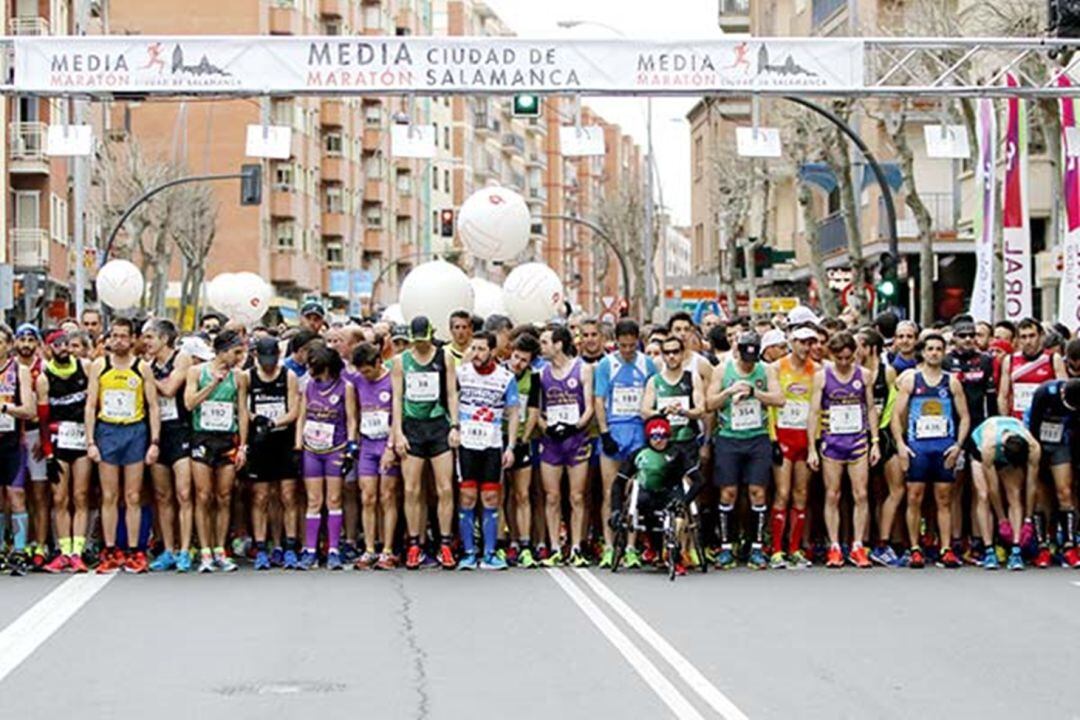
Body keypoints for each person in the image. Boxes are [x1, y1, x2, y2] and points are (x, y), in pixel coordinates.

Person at [85, 317, 162, 574]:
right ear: (108, 339)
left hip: (135, 431)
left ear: (132, 339)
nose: (118, 340)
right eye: (114, 336)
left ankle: (134, 551)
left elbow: (153, 405)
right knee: (109, 495)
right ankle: (109, 550)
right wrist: (90, 441)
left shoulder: (142, 367)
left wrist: (154, 442)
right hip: (107, 431)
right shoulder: (100, 365)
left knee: (133, 496)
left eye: (123, 336)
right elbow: (91, 405)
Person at [891, 333, 970, 569]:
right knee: (914, 498)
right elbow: (896, 416)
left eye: (938, 349)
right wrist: (901, 445)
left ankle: (945, 548)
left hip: (943, 447)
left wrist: (958, 445)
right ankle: (915, 548)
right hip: (918, 447)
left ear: (944, 352)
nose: (934, 353)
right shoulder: (911, 380)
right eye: (930, 349)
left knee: (943, 500)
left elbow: (965, 416)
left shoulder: (951, 381)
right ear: (923, 353)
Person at [706, 332, 784, 570]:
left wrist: (754, 393)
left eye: (753, 358)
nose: (749, 364)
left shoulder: (766, 370)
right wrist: (729, 393)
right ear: (737, 351)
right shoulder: (722, 370)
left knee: (757, 491)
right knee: (728, 491)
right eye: (745, 357)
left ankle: (757, 547)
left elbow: (779, 399)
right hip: (729, 437)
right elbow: (709, 404)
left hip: (757, 437)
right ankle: (727, 546)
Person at [807, 331, 880, 569]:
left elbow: (870, 408)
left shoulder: (864, 375)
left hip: (857, 441)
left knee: (860, 494)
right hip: (832, 442)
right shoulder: (822, 377)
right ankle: (835, 546)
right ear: (833, 356)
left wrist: (875, 441)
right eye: (840, 358)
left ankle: (858, 545)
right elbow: (814, 412)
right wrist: (812, 447)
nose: (845, 363)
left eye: (849, 358)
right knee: (833, 494)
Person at [391, 316, 459, 570]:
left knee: (444, 488)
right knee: (411, 489)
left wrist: (454, 425)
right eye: (416, 340)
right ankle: (414, 544)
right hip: (413, 427)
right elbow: (397, 398)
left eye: (424, 340)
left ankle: (444, 543)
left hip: (439, 425)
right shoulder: (401, 361)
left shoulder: (445, 357)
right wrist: (398, 432)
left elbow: (452, 392)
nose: (420, 345)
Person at [184, 329, 249, 573]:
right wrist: (212, 384)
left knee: (224, 496)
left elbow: (242, 410)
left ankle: (220, 549)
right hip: (202, 436)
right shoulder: (196, 371)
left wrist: (243, 445)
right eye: (236, 352)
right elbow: (189, 403)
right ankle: (204, 551)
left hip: (227, 439)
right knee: (203, 496)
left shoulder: (240, 377)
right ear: (222, 351)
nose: (240, 357)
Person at [454, 331, 520, 570]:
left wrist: (511, 446)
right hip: (467, 445)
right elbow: (451, 399)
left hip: (492, 444)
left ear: (492, 351)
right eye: (473, 348)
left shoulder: (505, 377)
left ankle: (490, 553)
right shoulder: (461, 373)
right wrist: (454, 427)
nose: (476, 354)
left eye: (482, 349)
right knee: (468, 497)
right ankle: (469, 552)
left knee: (491, 498)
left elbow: (513, 413)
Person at [608, 415, 706, 574]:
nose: (658, 440)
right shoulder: (638, 454)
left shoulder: (678, 453)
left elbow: (699, 481)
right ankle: (655, 550)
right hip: (648, 494)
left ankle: (676, 554)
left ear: (668, 437)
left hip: (672, 492)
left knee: (678, 512)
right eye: (654, 436)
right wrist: (616, 510)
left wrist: (685, 501)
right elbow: (618, 483)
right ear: (648, 437)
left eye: (663, 436)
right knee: (648, 513)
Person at [594, 319, 656, 568]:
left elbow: (652, 397)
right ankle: (609, 546)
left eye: (632, 346)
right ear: (616, 342)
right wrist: (605, 433)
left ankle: (631, 546)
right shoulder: (606, 364)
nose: (628, 350)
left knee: (634, 492)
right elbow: (599, 400)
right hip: (614, 430)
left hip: (638, 432)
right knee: (610, 491)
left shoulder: (646, 363)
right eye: (623, 346)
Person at [295, 344, 357, 571]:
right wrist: (297, 446)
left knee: (334, 500)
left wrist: (351, 446)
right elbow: (302, 416)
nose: (309, 368)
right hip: (312, 448)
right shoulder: (309, 386)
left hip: (335, 447)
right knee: (313, 501)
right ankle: (310, 550)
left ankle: (333, 550)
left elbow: (351, 418)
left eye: (313, 364)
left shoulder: (346, 387)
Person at [241, 336, 301, 570]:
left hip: (282, 439)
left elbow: (295, 408)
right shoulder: (248, 377)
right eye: (264, 358)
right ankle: (261, 547)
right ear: (256, 356)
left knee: (287, 495)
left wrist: (275, 423)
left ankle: (289, 546)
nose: (268, 363)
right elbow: (243, 407)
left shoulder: (288, 375)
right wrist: (256, 421)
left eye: (272, 358)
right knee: (261, 497)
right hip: (259, 442)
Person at [538, 324, 594, 567]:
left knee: (577, 496)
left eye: (545, 342)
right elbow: (536, 411)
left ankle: (577, 547)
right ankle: (554, 547)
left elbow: (590, 407)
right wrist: (547, 427)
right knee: (551, 496)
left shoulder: (583, 369)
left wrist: (575, 426)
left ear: (559, 344)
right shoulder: (540, 374)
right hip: (552, 442)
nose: (542, 347)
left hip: (576, 439)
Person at [142, 319, 196, 572]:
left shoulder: (181, 358)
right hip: (157, 432)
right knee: (162, 496)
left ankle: (185, 550)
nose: (146, 342)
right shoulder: (148, 364)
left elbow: (170, 388)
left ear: (164, 339)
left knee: (184, 494)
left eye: (150, 337)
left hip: (181, 430)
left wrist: (147, 376)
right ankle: (169, 549)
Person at [36, 330, 92, 574]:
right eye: (56, 345)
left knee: (80, 495)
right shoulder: (44, 378)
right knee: (60, 498)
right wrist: (48, 454)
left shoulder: (85, 367)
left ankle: (77, 552)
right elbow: (43, 419)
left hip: (80, 439)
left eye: (66, 344)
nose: (63, 348)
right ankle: (64, 550)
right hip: (59, 441)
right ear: (49, 349)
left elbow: (93, 404)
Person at [768, 324, 820, 569]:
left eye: (810, 342)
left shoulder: (817, 370)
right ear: (791, 342)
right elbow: (772, 405)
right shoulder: (777, 368)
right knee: (782, 493)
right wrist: (773, 439)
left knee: (801, 495)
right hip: (783, 435)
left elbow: (817, 409)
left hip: (805, 436)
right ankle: (777, 549)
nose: (806, 347)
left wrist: (813, 445)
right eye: (801, 342)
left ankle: (795, 548)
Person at [967, 416, 1041, 570]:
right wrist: (1002, 519)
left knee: (1014, 494)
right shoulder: (989, 446)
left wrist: (1028, 519)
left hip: (1010, 447)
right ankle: (988, 550)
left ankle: (1016, 549)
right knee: (984, 495)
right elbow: (993, 488)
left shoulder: (1033, 447)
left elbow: (1032, 485)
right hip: (980, 451)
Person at [352, 342, 401, 570]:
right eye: (361, 371)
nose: (365, 376)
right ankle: (369, 548)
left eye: (368, 371)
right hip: (367, 445)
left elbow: (397, 416)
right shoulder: (357, 382)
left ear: (378, 362)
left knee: (387, 496)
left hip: (386, 442)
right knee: (367, 497)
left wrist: (391, 447)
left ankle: (388, 549)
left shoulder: (391, 380)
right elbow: (355, 414)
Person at [1025, 378, 1080, 568]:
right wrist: (1036, 455)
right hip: (1039, 440)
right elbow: (1032, 424)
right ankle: (1042, 547)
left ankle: (1070, 545)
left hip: (1060, 443)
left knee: (1064, 491)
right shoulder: (1044, 392)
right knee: (1040, 497)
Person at [0, 324, 38, 576]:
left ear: (9, 344)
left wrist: (5, 408)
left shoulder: (19, 370)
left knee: (16, 495)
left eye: (1, 341)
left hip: (13, 440)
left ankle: (20, 550)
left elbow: (30, 410)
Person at [505, 333, 542, 568]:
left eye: (523, 360)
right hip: (496, 439)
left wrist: (523, 438)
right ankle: (509, 541)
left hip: (522, 441)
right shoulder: (500, 374)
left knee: (522, 494)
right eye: (516, 357)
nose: (517, 363)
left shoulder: (534, 379)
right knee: (501, 495)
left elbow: (534, 412)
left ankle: (526, 543)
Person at [13, 324, 48, 569]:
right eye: (22, 339)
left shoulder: (42, 368)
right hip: (12, 435)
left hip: (35, 433)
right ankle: (17, 543)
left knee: (38, 493)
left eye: (30, 339)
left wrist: (45, 441)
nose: (26, 344)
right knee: (13, 493)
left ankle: (41, 543)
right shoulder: (10, 368)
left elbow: (45, 408)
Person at [999, 318, 1066, 420]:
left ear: (1041, 336)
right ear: (1018, 339)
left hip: (1046, 420)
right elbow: (1003, 396)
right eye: (1023, 337)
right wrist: (1007, 421)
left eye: (1032, 336)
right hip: (1019, 421)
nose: (1028, 341)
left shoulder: (1053, 359)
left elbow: (1064, 392)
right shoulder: (1010, 360)